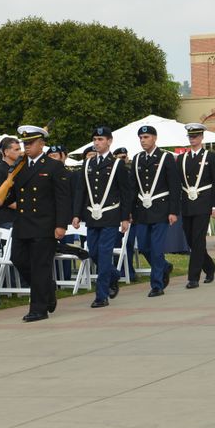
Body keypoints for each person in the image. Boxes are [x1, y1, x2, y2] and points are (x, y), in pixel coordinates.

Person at [8, 125, 71, 321]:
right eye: (24, 143)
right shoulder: (20, 166)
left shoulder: (54, 166)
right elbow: (14, 193)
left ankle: (38, 309)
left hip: (44, 224)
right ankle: (46, 288)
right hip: (22, 223)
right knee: (17, 259)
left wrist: (61, 225)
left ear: (42, 144)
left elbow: (62, 198)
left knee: (39, 267)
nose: (26, 146)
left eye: (30, 143)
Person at [73, 125, 131, 308]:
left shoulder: (117, 164)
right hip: (92, 215)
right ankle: (114, 275)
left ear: (109, 141)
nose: (97, 143)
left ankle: (101, 295)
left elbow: (125, 193)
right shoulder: (88, 163)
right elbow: (81, 190)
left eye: (101, 140)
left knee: (105, 254)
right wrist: (76, 214)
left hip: (110, 215)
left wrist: (124, 218)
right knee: (94, 252)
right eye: (95, 140)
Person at [130, 124, 180, 296]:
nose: (143, 141)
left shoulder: (165, 157)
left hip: (161, 209)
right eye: (141, 138)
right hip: (142, 211)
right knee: (144, 246)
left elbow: (174, 186)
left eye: (147, 137)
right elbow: (133, 188)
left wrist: (173, 211)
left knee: (157, 248)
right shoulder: (137, 159)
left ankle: (157, 285)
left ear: (155, 138)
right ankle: (164, 266)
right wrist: (130, 211)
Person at [177, 123, 215, 287]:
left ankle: (193, 277)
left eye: (195, 136)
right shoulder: (182, 158)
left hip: (204, 202)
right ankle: (210, 266)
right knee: (190, 240)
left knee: (198, 239)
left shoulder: (210, 157)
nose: (193, 139)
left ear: (202, 137)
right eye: (190, 136)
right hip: (187, 203)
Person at [0, 136, 21, 229]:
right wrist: (25, 207)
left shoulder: (18, 168)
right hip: (8, 218)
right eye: (16, 149)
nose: (20, 152)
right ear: (6, 152)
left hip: (20, 216)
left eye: (19, 149)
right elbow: (0, 197)